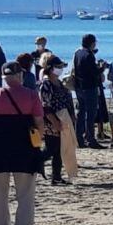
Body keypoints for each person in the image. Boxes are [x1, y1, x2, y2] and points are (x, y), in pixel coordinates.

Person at [0, 63, 44, 225]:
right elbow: (39, 123)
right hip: (25, 150)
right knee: (25, 194)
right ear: (20, 75)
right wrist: (39, 140)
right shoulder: (31, 95)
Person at [39, 55, 74, 185]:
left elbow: (67, 100)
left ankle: (56, 176)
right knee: (51, 148)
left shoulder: (58, 82)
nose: (60, 69)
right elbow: (45, 106)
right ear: (50, 68)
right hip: (51, 121)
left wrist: (71, 116)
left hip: (63, 118)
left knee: (60, 149)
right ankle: (36, 162)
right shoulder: (46, 83)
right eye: (58, 67)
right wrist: (55, 122)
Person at [73, 34, 105, 149]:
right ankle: (90, 138)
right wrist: (102, 67)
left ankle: (78, 138)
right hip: (89, 86)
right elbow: (94, 72)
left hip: (79, 86)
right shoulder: (89, 55)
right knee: (91, 114)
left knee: (81, 112)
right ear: (92, 43)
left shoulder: (77, 53)